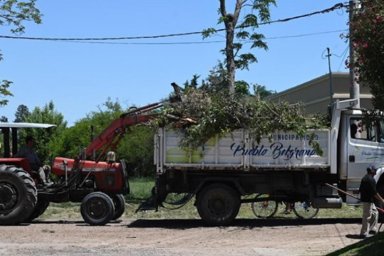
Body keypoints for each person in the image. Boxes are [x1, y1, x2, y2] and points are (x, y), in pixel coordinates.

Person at [359, 165, 384, 238]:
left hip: (369, 199)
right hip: (367, 200)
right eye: (375, 171)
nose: (376, 172)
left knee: (375, 212)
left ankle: (372, 229)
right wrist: (382, 200)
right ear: (372, 171)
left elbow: (360, 189)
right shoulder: (370, 180)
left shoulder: (365, 178)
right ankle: (363, 233)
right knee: (367, 216)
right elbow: (374, 193)